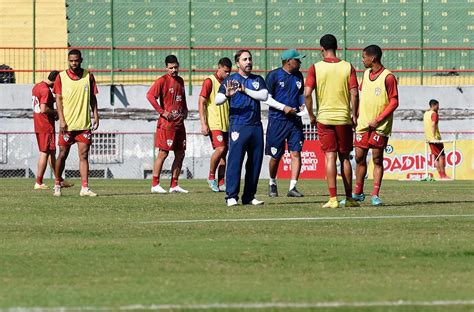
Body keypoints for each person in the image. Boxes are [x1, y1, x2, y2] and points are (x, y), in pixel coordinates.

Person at [304, 34, 360, 208]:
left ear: (322, 48)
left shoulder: (315, 68)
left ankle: (333, 198)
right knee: (344, 157)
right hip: (343, 117)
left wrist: (312, 115)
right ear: (337, 47)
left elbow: (307, 94)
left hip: (324, 118)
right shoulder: (347, 67)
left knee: (330, 157)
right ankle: (349, 198)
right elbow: (355, 93)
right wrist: (354, 114)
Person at [215, 49, 268, 206]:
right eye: (245, 59)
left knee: (255, 162)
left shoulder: (257, 79)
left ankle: (249, 196)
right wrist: (227, 95)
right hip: (238, 125)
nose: (249, 62)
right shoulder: (231, 81)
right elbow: (217, 99)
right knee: (235, 161)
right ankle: (231, 196)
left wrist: (246, 90)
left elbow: (264, 96)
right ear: (238, 63)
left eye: (250, 59)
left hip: (256, 126)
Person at [352, 44, 399, 206]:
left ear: (373, 58)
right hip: (363, 123)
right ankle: (358, 192)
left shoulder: (388, 77)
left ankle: (375, 194)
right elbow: (363, 96)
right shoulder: (365, 74)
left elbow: (394, 102)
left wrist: (378, 119)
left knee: (377, 159)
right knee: (359, 157)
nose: (362, 59)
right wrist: (356, 115)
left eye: (364, 57)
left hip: (380, 125)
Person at [53, 49, 99, 197]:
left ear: (81, 60)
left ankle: (84, 188)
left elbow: (93, 97)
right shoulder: (61, 77)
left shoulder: (88, 76)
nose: (74, 63)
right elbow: (58, 100)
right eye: (71, 60)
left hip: (84, 124)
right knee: (62, 154)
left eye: (76, 60)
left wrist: (96, 115)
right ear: (68, 60)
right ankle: (57, 183)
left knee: (84, 156)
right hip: (67, 125)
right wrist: (61, 120)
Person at [263, 49, 306, 198]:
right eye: (298, 60)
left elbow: (300, 95)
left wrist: (302, 106)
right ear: (288, 61)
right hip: (277, 121)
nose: (300, 62)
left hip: (295, 122)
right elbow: (266, 99)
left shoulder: (299, 76)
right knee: (275, 156)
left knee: (296, 153)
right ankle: (272, 182)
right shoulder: (273, 76)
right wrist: (283, 108)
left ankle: (293, 187)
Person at [147, 55, 189, 194]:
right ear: (166, 68)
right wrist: (162, 112)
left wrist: (185, 109)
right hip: (167, 124)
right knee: (163, 153)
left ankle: (174, 185)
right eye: (171, 68)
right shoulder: (162, 81)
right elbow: (150, 96)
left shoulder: (181, 81)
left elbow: (181, 98)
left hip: (179, 123)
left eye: (176, 67)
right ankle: (155, 184)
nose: (174, 70)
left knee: (180, 153)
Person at [32, 70, 73, 190]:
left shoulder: (37, 86)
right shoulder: (46, 90)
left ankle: (58, 180)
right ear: (55, 81)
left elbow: (45, 101)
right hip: (46, 126)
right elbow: (44, 108)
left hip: (38, 124)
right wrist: (56, 112)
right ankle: (38, 182)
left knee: (51, 153)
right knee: (45, 153)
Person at [198, 57, 232, 192]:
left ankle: (222, 182)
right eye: (225, 71)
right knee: (220, 149)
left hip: (226, 123)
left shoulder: (228, 82)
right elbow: (201, 102)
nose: (228, 74)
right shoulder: (209, 81)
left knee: (224, 153)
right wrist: (203, 123)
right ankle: (211, 177)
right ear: (219, 68)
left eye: (229, 72)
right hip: (214, 123)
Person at [423, 99, 450, 179]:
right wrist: (434, 136)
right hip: (435, 138)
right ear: (434, 105)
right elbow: (433, 124)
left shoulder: (426, 113)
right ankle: (443, 175)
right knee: (441, 156)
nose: (439, 107)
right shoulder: (434, 114)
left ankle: (441, 175)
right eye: (438, 105)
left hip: (428, 138)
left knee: (436, 157)